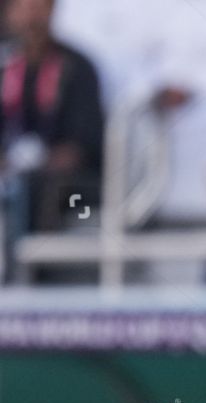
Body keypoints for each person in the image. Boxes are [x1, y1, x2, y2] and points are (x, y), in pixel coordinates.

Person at [0, 0, 103, 235]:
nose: (31, 20)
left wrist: (39, 165)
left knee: (35, 187)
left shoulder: (77, 67)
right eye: (24, 10)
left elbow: (84, 142)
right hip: (10, 173)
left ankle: (29, 266)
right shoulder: (5, 66)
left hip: (63, 182)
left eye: (39, 9)